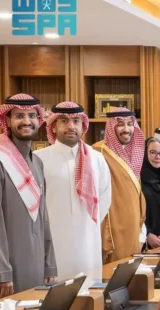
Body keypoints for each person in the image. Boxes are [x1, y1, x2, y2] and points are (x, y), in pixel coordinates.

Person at [0, 94, 56, 300]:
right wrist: (2, 273)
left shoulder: (37, 163)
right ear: (7, 120)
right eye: (19, 116)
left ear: (39, 119)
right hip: (6, 272)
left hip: (36, 267)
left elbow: (43, 217)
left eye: (32, 115)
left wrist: (49, 264)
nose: (27, 121)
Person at [37, 101, 112, 283]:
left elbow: (105, 198)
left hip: (88, 245)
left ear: (83, 126)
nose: (71, 126)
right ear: (53, 126)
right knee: (53, 296)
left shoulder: (97, 159)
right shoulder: (39, 159)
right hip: (52, 246)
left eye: (76, 121)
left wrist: (86, 225)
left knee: (88, 293)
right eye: (64, 121)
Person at [93, 108, 145, 264]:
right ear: (111, 126)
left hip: (133, 226)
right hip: (111, 228)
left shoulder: (135, 153)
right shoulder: (97, 152)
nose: (126, 129)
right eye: (120, 124)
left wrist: (142, 232)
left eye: (130, 124)